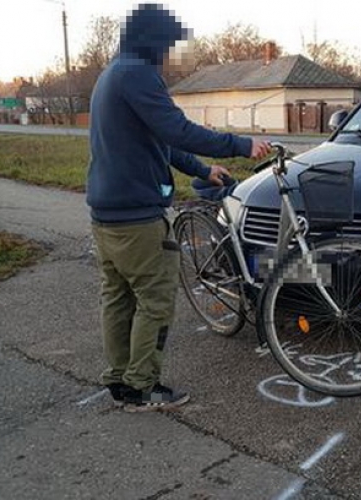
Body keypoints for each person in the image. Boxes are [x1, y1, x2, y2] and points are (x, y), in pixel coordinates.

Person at [86, 3, 271, 412]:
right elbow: (179, 130)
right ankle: (142, 387)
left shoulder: (114, 73)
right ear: (153, 39)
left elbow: (162, 141)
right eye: (169, 44)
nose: (171, 55)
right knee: (155, 300)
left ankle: (119, 379)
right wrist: (241, 145)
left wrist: (204, 169)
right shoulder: (137, 72)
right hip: (137, 218)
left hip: (107, 214)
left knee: (117, 299)